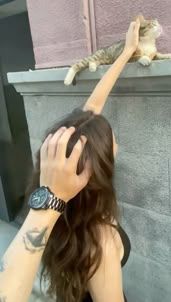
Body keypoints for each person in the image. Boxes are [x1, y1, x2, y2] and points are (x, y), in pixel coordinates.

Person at [0, 19, 140, 302]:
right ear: (95, 170)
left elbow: (93, 108)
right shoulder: (100, 240)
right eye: (111, 141)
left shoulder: (60, 212)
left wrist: (125, 53)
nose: (116, 143)